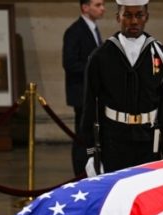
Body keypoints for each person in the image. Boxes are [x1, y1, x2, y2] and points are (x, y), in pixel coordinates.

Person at [80, 0, 163, 176]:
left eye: (139, 15)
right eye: (128, 15)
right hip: (113, 142)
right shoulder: (100, 56)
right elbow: (88, 106)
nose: (134, 21)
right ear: (118, 17)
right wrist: (91, 154)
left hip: (149, 142)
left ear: (146, 17)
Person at [62, 0, 105, 176]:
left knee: (89, 135)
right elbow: (70, 63)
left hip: (92, 93)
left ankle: (90, 169)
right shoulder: (74, 31)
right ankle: (79, 173)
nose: (103, 8)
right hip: (80, 93)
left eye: (102, 4)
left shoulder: (93, 29)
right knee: (81, 135)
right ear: (85, 7)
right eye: (98, 5)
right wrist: (95, 68)